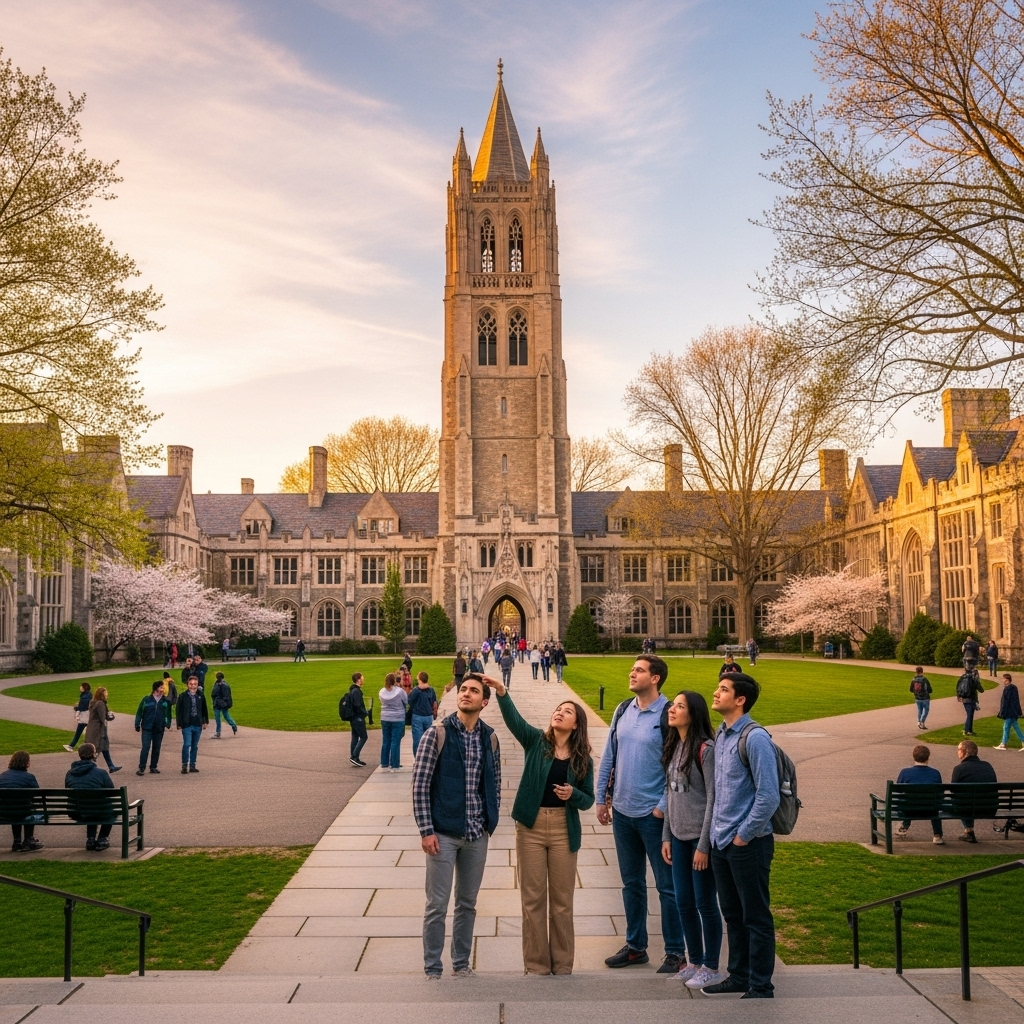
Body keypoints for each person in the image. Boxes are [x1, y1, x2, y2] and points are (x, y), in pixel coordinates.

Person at [492, 674, 594, 975]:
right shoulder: (536, 741)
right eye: (557, 709)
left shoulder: (582, 758)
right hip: (531, 829)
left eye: (567, 711)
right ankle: (537, 966)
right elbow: (514, 721)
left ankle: (563, 965)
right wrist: (501, 692)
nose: (559, 712)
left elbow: (588, 799)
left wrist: (572, 793)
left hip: (564, 829)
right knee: (532, 900)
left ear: (576, 724)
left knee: (562, 903)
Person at [596, 656, 685, 973]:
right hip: (622, 812)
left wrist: (662, 805)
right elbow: (610, 755)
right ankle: (636, 947)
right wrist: (601, 798)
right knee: (631, 884)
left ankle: (675, 951)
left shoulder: (669, 713)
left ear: (656, 678)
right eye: (632, 669)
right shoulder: (623, 710)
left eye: (639, 670)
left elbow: (678, 766)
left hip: (655, 816)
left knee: (667, 887)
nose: (632, 673)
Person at [412, 675, 501, 978]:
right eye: (463, 689)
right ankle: (432, 968)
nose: (466, 694)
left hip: (476, 833)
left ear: (484, 702)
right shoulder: (435, 735)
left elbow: (495, 783)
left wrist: (491, 821)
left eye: (474, 691)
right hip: (443, 833)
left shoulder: (490, 737)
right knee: (437, 904)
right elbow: (420, 786)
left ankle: (461, 964)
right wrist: (426, 830)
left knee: (467, 903)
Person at [704, 672, 780, 999]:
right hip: (722, 842)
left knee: (755, 915)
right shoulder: (721, 735)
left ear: (740, 700)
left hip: (747, 843)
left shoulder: (756, 737)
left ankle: (761, 983)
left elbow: (768, 796)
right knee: (733, 915)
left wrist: (743, 836)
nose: (716, 693)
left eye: (723, 689)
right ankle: (738, 975)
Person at [660, 691, 723, 988]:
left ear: (693, 714)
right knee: (683, 902)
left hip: (699, 839)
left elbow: (713, 799)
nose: (672, 709)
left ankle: (711, 966)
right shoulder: (674, 745)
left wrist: (703, 846)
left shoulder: (706, 750)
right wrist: (666, 836)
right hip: (678, 838)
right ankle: (694, 960)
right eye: (673, 704)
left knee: (705, 904)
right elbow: (671, 794)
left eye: (679, 706)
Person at [65, 743, 114, 851]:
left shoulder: (70, 773)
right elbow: (111, 792)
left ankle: (91, 839)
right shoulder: (101, 773)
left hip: (76, 811)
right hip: (96, 810)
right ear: (93, 754)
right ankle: (102, 838)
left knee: (90, 804)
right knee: (106, 807)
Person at [894, 745, 945, 844]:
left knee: (906, 800)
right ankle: (937, 835)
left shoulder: (905, 772)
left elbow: (899, 791)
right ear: (928, 757)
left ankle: (904, 827)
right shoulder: (935, 773)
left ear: (914, 757)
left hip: (909, 810)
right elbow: (939, 792)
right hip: (930, 809)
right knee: (934, 803)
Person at [952, 739, 997, 843]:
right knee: (967, 800)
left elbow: (953, 789)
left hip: (967, 807)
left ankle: (969, 831)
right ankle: (969, 832)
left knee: (958, 802)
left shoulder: (959, 768)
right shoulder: (987, 766)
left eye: (958, 749)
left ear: (964, 752)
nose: (957, 752)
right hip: (988, 807)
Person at [0, 751, 43, 852]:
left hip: (4, 812)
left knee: (14, 806)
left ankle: (17, 841)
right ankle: (28, 840)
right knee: (28, 808)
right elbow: (37, 797)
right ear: (27, 763)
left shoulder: (2, 777)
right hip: (24, 811)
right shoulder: (29, 777)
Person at [134, 680, 172, 775]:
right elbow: (140, 712)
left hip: (159, 728)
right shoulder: (146, 699)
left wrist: (167, 723)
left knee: (156, 748)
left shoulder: (165, 701)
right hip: (147, 727)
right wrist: (137, 723)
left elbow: (168, 713)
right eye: (161, 687)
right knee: (145, 747)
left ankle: (153, 767)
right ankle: (141, 767)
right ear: (156, 688)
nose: (163, 689)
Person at [176, 675, 209, 774]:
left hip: (197, 723)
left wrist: (205, 721)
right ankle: (184, 764)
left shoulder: (200, 695)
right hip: (187, 724)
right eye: (191, 684)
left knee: (194, 745)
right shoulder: (182, 696)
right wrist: (179, 723)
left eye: (195, 684)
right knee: (187, 744)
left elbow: (204, 709)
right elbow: (179, 711)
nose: (193, 686)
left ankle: (193, 765)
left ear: (198, 684)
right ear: (187, 685)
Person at [85, 686, 121, 774]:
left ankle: (111, 766)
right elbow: (103, 717)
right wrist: (111, 716)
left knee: (104, 748)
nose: (107, 695)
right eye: (105, 693)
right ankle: (88, 767)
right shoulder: (100, 703)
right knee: (97, 748)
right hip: (99, 729)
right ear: (102, 694)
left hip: (92, 728)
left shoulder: (93, 702)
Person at [379, 672, 408, 772]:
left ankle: (384, 763)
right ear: (395, 681)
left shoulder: (382, 692)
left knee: (386, 740)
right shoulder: (400, 692)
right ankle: (394, 765)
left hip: (385, 717)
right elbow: (406, 701)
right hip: (397, 717)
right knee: (395, 741)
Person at [409, 671, 438, 757]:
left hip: (417, 716)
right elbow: (434, 703)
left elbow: (409, 701)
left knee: (417, 740)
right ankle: (427, 756)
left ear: (419, 679)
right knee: (429, 740)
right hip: (429, 716)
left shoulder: (416, 690)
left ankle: (417, 758)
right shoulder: (431, 690)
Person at [345, 673, 369, 765]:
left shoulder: (352, 690)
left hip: (353, 718)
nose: (363, 679)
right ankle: (354, 755)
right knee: (363, 737)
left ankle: (355, 757)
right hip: (357, 717)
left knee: (355, 736)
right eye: (362, 677)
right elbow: (357, 705)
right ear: (358, 679)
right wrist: (365, 713)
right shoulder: (356, 691)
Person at [994, 673, 1024, 750]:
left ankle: (1003, 744)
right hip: (1014, 712)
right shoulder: (1014, 688)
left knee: (1006, 727)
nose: (1002, 680)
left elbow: (1005, 702)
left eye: (1003, 679)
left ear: (1007, 680)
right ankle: (1022, 741)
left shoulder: (1007, 689)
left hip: (1009, 712)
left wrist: (1002, 712)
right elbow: (1015, 701)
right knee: (1016, 727)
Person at [63, 682, 93, 752]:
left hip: (84, 717)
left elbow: (83, 707)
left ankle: (71, 746)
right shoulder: (89, 695)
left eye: (81, 687)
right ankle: (91, 746)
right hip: (87, 716)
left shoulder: (85, 696)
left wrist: (77, 708)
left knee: (79, 732)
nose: (80, 688)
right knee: (87, 732)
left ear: (83, 688)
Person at [958, 669, 984, 735]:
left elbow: (958, 686)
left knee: (969, 715)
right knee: (970, 715)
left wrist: (959, 696)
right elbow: (980, 689)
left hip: (964, 698)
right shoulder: (974, 679)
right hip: (971, 699)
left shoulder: (963, 677)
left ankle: (968, 730)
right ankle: (967, 730)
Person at [211, 672, 238, 737]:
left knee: (218, 718)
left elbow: (214, 694)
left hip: (218, 703)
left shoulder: (218, 684)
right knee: (226, 716)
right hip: (223, 703)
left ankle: (218, 732)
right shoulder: (225, 685)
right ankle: (233, 725)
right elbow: (228, 696)